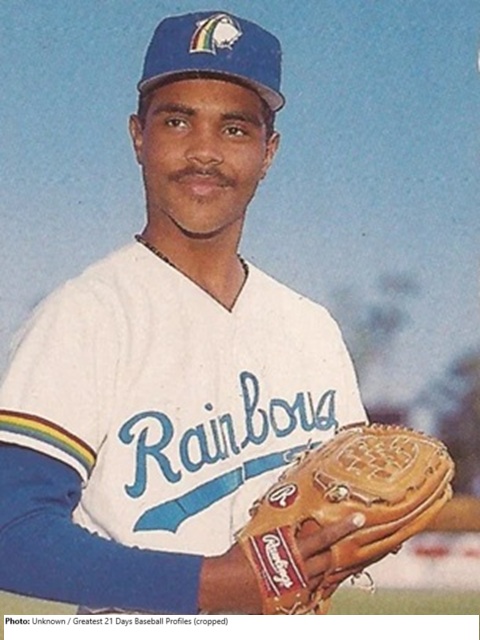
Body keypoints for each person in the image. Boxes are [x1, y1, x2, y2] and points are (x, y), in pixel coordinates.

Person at [0, 11, 367, 614]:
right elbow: (12, 530)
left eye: (235, 129)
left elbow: (349, 511)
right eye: (177, 121)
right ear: (137, 137)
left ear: (269, 152)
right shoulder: (84, 317)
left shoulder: (312, 330)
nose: (204, 152)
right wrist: (211, 585)